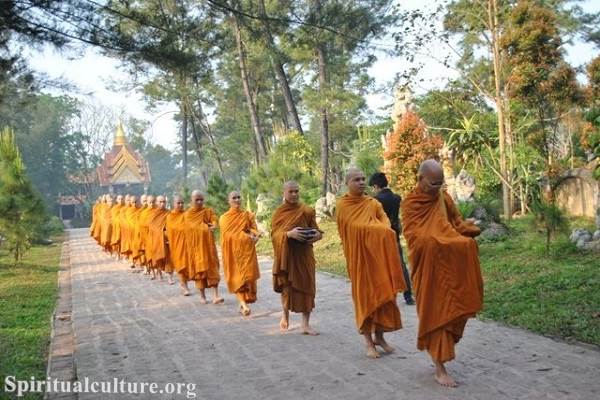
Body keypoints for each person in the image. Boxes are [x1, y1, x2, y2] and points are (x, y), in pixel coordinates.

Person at [401, 159, 483, 388]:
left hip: (449, 266)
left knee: (456, 310)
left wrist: (469, 229)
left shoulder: (442, 198)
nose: (437, 188)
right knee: (436, 314)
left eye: (440, 184)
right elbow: (416, 238)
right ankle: (439, 368)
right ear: (420, 179)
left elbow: (455, 222)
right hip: (428, 268)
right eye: (433, 184)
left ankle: (442, 357)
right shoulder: (411, 204)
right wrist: (445, 241)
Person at [337, 168, 407, 359]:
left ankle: (380, 338)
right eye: (356, 180)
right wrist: (372, 229)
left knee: (385, 297)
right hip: (359, 261)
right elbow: (349, 230)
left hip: (378, 260)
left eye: (363, 179)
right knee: (365, 299)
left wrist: (379, 231)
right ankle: (368, 342)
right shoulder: (343, 206)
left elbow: (385, 225)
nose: (361, 182)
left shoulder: (373, 203)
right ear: (347, 183)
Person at [271, 181, 322, 335]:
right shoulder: (279, 213)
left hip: (304, 255)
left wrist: (315, 236)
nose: (294, 194)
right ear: (284, 193)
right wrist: (288, 234)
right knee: (287, 287)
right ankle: (285, 313)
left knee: (308, 288)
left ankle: (305, 324)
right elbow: (274, 235)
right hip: (287, 257)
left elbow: (317, 231)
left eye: (296, 191)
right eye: (291, 191)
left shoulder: (306, 211)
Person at [368, 172, 415, 305]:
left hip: (380, 235)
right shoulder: (396, 198)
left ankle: (385, 294)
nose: (373, 190)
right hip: (394, 234)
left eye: (373, 187)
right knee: (401, 265)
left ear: (376, 186)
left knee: (381, 265)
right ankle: (408, 296)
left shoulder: (375, 201)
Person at [219, 191, 261, 316]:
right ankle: (243, 304)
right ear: (229, 201)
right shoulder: (224, 218)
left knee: (248, 278)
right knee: (238, 279)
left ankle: (242, 304)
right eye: (234, 198)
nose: (237, 200)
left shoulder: (247, 215)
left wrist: (255, 236)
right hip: (232, 253)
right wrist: (243, 236)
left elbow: (253, 229)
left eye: (238, 197)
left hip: (246, 252)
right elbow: (226, 236)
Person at [184, 190, 223, 304]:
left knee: (213, 270)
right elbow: (192, 228)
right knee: (200, 272)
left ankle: (216, 295)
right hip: (196, 248)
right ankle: (202, 296)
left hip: (208, 247)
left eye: (201, 199)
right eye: (197, 200)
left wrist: (214, 225)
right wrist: (206, 227)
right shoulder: (188, 215)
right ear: (192, 200)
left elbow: (214, 220)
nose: (200, 202)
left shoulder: (208, 211)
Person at [166, 196, 191, 295]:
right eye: (178, 203)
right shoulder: (170, 217)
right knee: (180, 266)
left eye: (182, 203)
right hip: (176, 245)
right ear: (173, 204)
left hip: (187, 244)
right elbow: (169, 230)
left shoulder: (187, 215)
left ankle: (185, 284)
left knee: (187, 266)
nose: (180, 205)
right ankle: (184, 286)